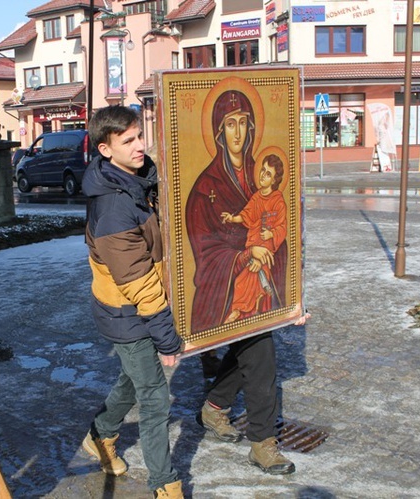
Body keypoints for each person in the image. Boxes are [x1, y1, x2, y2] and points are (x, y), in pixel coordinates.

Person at [184, 87, 298, 476]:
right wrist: (242, 256)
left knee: (249, 349)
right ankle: (264, 444)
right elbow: (203, 250)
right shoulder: (205, 188)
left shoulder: (261, 175)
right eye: (229, 124)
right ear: (218, 131)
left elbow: (278, 227)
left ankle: (215, 407)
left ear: (251, 128)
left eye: (243, 123)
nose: (236, 131)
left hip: (261, 286)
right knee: (261, 359)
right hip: (224, 286)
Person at [80, 105, 184, 498]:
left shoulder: (139, 181)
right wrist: (167, 339)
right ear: (106, 150)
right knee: (156, 396)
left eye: (140, 136)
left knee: (132, 377)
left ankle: (101, 435)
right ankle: (165, 484)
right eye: (129, 141)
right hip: (125, 311)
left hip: (139, 308)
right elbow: (138, 280)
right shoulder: (113, 208)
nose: (141, 146)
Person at [221, 153, 287, 323]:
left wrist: (272, 234)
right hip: (253, 245)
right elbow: (247, 214)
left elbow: (282, 226)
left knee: (248, 277)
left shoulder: (278, 200)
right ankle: (244, 305)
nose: (263, 176)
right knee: (242, 280)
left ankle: (239, 309)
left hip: (267, 248)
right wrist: (232, 218)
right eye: (263, 170)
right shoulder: (257, 197)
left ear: (274, 180)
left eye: (268, 174)